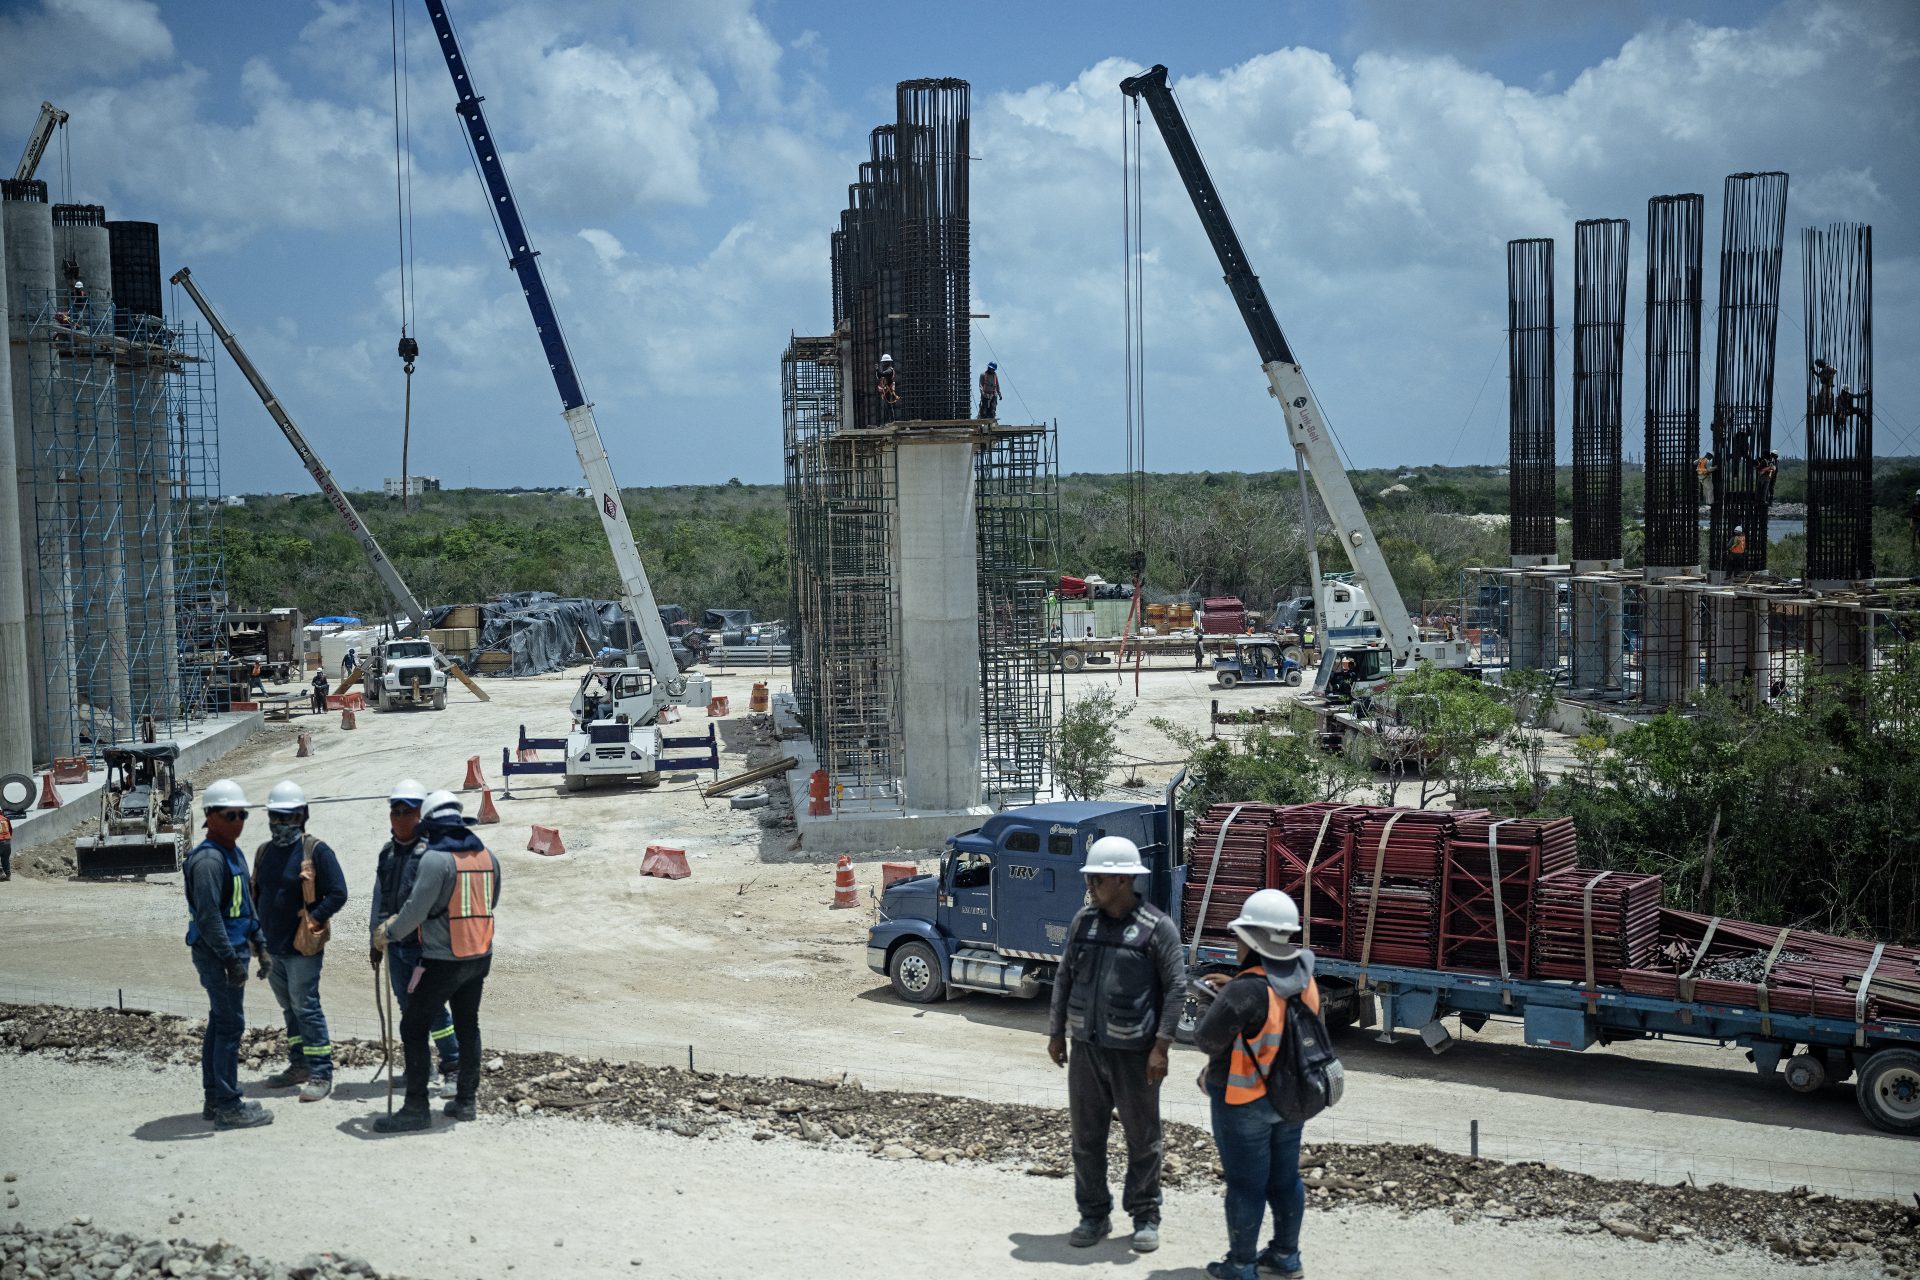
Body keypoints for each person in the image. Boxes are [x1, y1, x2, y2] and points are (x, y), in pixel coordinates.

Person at [1047, 836, 1185, 1254]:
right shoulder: (1082, 922)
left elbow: (1176, 989)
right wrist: (1056, 1032)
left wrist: (1161, 1047)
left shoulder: (1157, 928)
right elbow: (1064, 977)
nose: (1089, 882)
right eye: (1089, 875)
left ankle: (1145, 1216)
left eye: (1097, 876)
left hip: (1136, 1056)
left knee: (1143, 1140)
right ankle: (1093, 1215)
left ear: (1123, 879)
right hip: (1086, 1051)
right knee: (1086, 1139)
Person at [1192, 889, 1321, 1280]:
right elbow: (1273, 1008)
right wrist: (1233, 986)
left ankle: (1241, 1264)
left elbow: (1206, 1040)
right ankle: (1285, 1256)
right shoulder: (1303, 979)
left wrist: (1220, 999)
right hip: (1293, 1097)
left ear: (1250, 938)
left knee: (1246, 1185)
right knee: (1284, 1179)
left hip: (1245, 1100)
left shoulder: (1243, 991)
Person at [372, 790, 501, 1131]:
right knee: (467, 1024)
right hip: (479, 954)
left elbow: (416, 910)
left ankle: (416, 1109)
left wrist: (389, 931)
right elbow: (493, 899)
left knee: (413, 1026)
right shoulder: (486, 856)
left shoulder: (435, 859)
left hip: (443, 959)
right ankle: (466, 1101)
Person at [183, 779, 272, 1128]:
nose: (238, 821)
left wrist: (261, 945)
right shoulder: (207, 861)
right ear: (211, 817)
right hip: (218, 956)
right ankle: (227, 1104)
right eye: (230, 815)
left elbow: (245, 907)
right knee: (230, 1025)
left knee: (222, 1023)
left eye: (242, 815)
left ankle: (214, 1099)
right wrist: (231, 961)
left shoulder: (233, 854)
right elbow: (208, 918)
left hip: (233, 952)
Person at [252, 780, 347, 1102]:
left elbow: (338, 893)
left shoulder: (316, 851)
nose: (281, 823)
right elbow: (258, 894)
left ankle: (321, 1072)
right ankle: (299, 1065)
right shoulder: (264, 852)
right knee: (290, 1009)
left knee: (306, 1007)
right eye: (276, 816)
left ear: (302, 816)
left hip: (302, 949)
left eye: (287, 816)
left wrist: (313, 918)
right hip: (273, 948)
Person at [371, 779, 461, 1094]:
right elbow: (381, 897)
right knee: (408, 1010)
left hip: (424, 949)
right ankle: (418, 1067)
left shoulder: (431, 855)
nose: (398, 817)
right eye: (394, 811)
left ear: (421, 814)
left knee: (433, 1009)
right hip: (397, 947)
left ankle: (452, 1066)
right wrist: (375, 937)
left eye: (405, 811)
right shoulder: (388, 854)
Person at [0, 810, 11, 881]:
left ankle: (0, 872)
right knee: (5, 859)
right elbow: (10, 830)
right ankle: (8, 874)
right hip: (7, 842)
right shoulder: (5, 819)